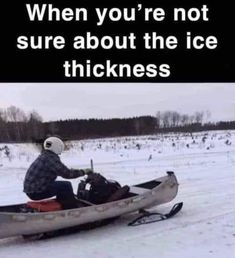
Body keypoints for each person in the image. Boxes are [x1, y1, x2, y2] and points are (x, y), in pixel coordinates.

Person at [23, 136, 93, 209]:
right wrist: (83, 172)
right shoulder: (50, 158)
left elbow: (61, 170)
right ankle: (71, 208)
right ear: (56, 147)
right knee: (66, 186)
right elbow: (67, 174)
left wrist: (76, 171)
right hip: (36, 192)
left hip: (33, 189)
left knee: (62, 186)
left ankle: (63, 204)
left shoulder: (45, 155)